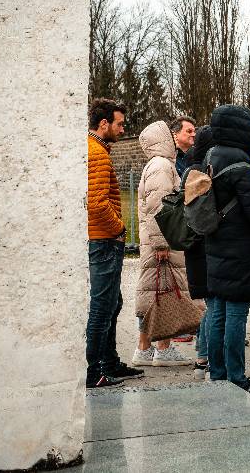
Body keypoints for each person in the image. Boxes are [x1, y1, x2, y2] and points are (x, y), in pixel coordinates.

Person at [205, 104, 250, 395]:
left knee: (218, 313)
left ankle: (217, 372)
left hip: (216, 243)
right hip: (241, 248)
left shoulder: (212, 155)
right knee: (235, 314)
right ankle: (235, 376)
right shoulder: (241, 165)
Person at [86, 98, 142, 387]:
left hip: (105, 238)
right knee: (102, 305)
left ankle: (109, 362)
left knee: (113, 302)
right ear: (104, 123)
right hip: (104, 239)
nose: (122, 129)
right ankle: (94, 371)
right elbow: (96, 203)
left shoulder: (98, 149)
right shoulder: (96, 153)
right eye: (119, 124)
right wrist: (119, 228)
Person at [131, 121, 195, 368]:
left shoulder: (157, 164)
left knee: (154, 294)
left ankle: (145, 348)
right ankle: (162, 349)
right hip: (163, 242)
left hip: (158, 241)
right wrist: (161, 244)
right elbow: (160, 206)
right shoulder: (161, 166)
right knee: (163, 293)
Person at [183, 124, 215, 379]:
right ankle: (205, 358)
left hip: (196, 249)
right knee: (214, 305)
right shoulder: (200, 174)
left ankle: (202, 357)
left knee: (210, 305)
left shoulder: (191, 171)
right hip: (204, 248)